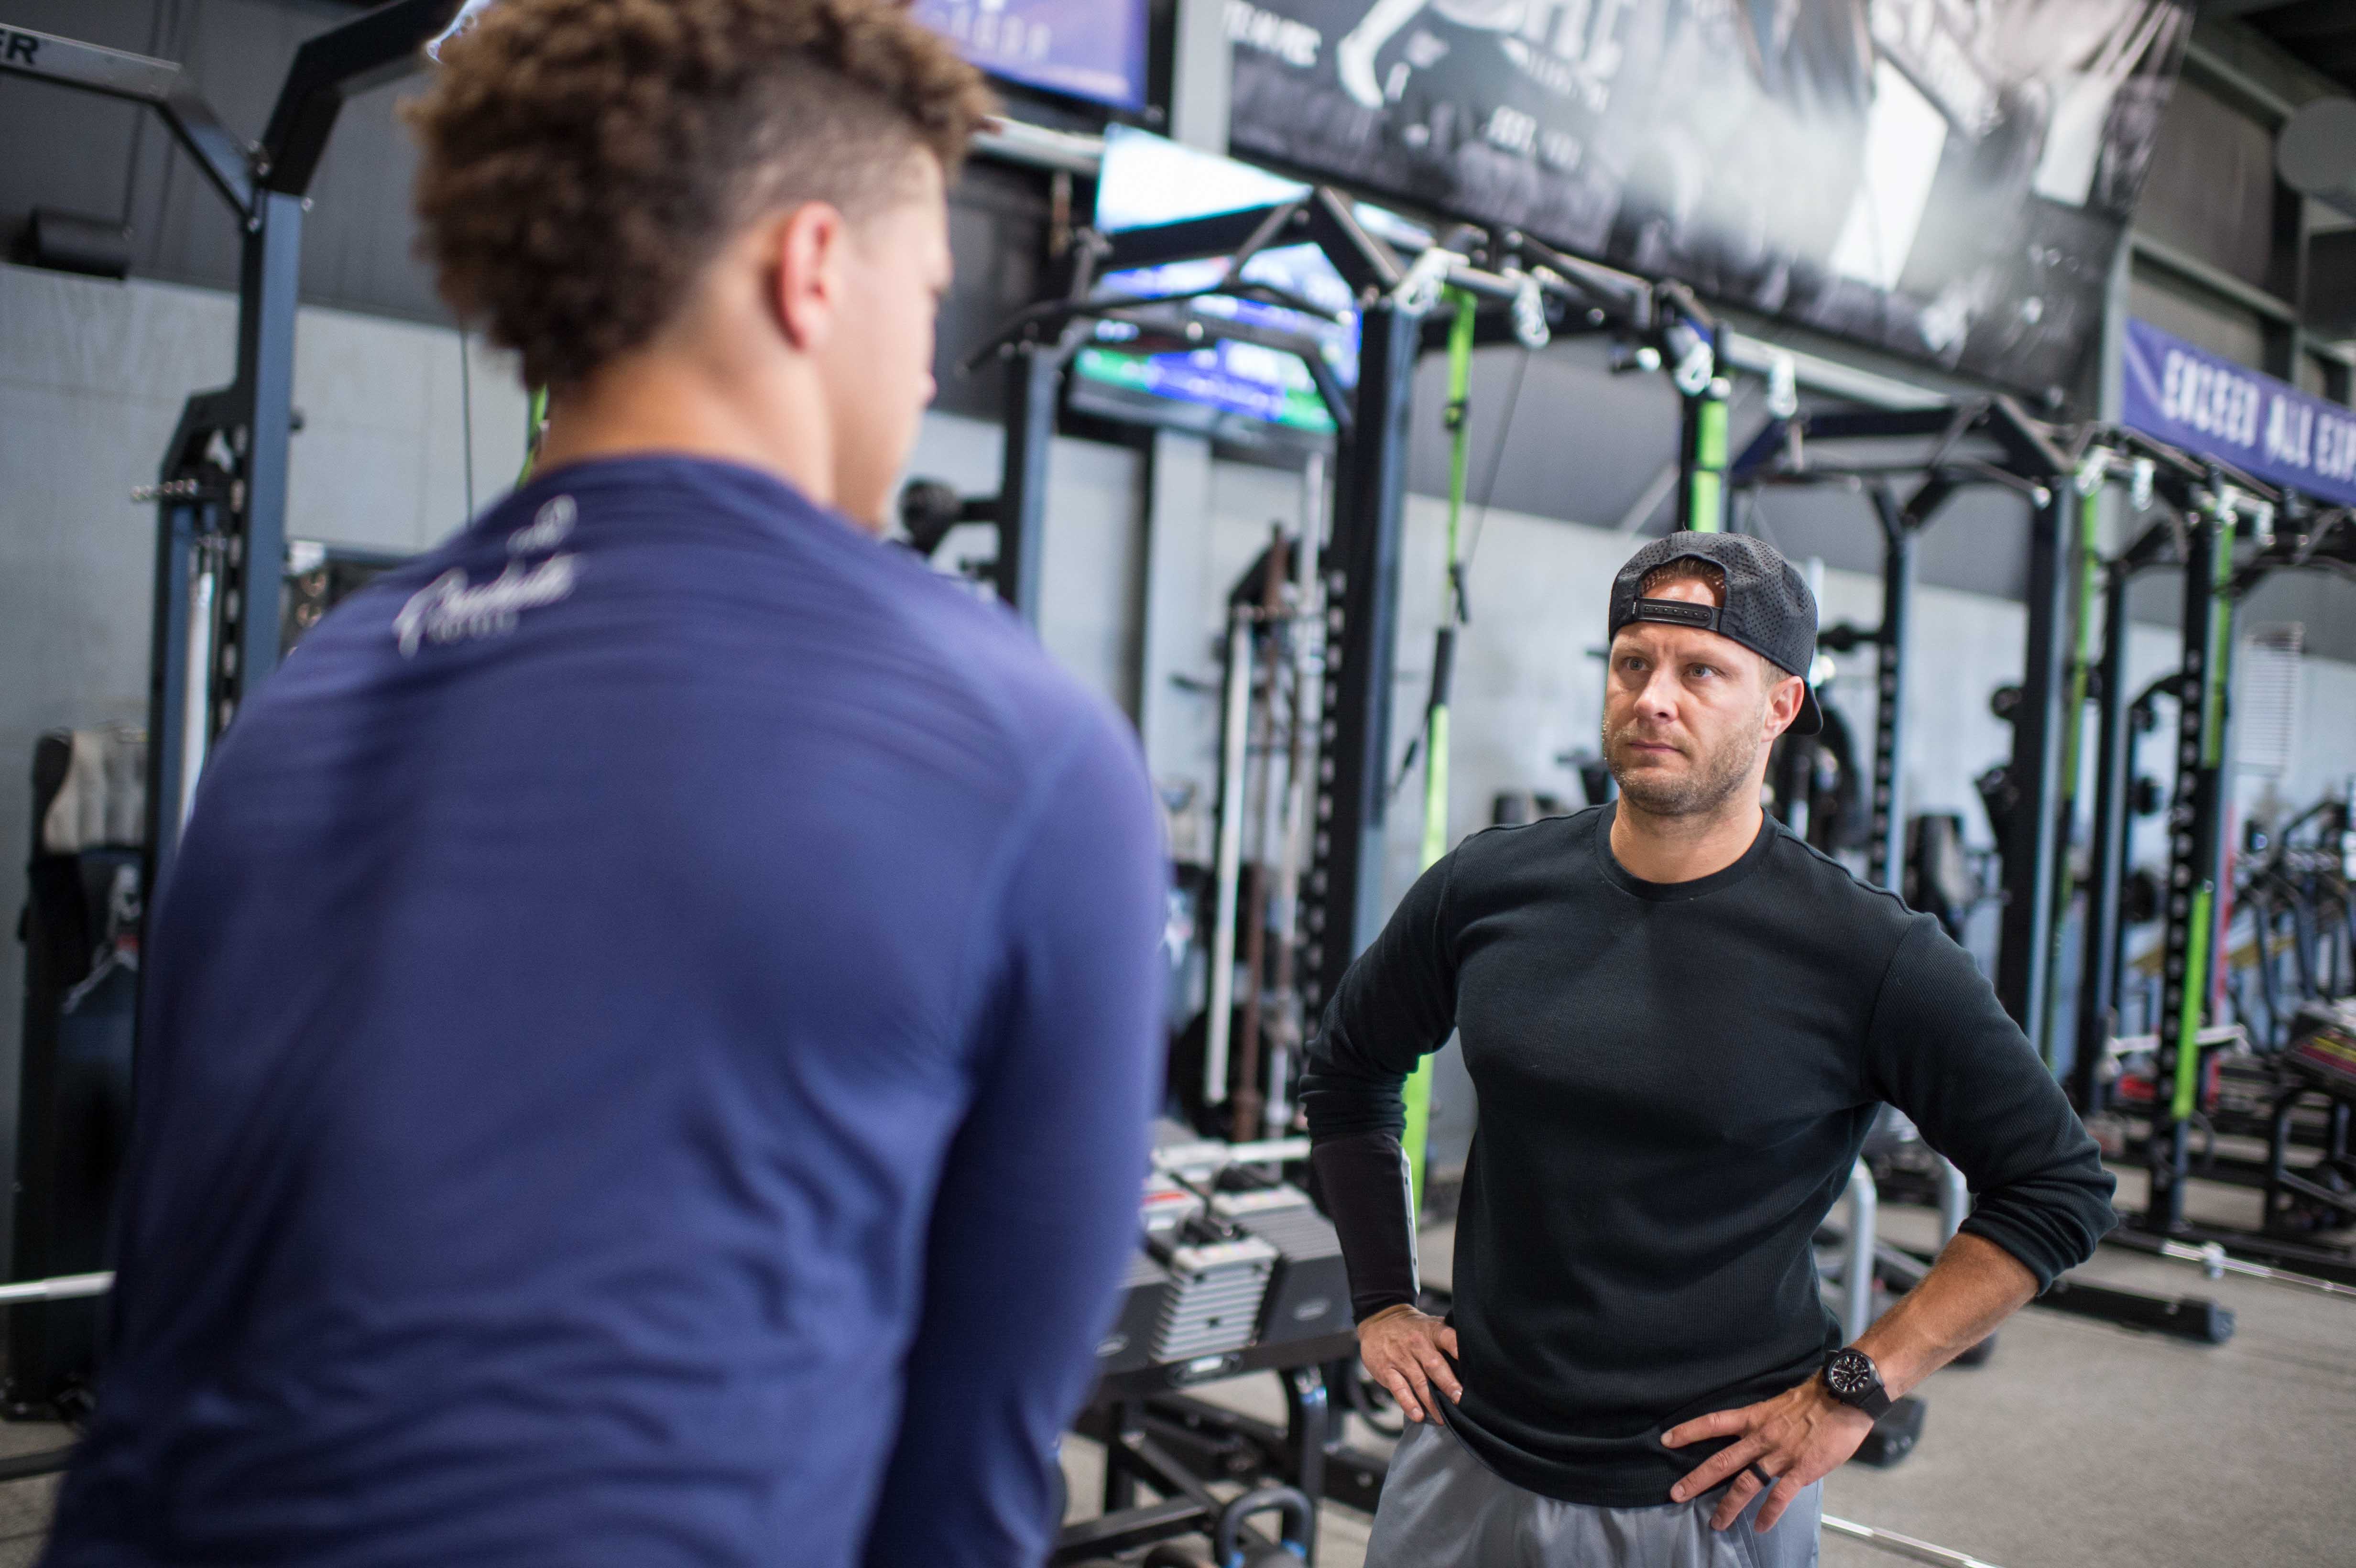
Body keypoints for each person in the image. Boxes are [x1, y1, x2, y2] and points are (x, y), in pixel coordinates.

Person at [45, 3, 1168, 1565]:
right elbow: (960, 1504)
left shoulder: (299, 712)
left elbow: (169, 1350)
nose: (920, 374)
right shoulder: (1024, 753)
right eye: (922, 301)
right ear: (811, 267)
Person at [1305, 532, 2114, 1566]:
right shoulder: (1489, 886)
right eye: (1631, 662)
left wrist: (1856, 1385)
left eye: (1701, 672)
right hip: (1464, 1452)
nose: (1653, 696)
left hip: (1703, 1495)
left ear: (1779, 707)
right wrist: (1380, 1298)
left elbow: (2057, 1186)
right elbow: (1347, 1070)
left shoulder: (1869, 950)